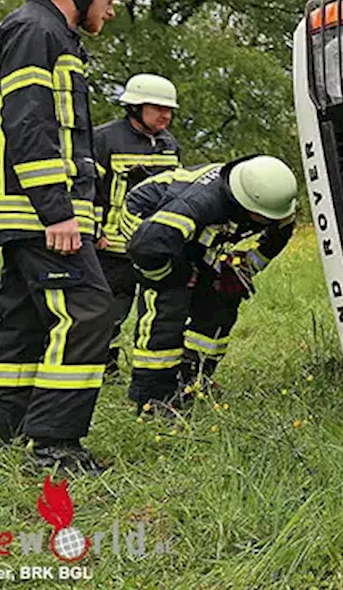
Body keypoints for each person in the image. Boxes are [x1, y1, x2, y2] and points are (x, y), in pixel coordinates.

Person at [0, 0, 128, 475]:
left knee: (23, 318)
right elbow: (30, 124)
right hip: (39, 210)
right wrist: (56, 209)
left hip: (21, 210)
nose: (111, 10)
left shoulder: (37, 30)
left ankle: (0, 430)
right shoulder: (38, 32)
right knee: (89, 311)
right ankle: (54, 446)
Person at [121, 156, 298, 414]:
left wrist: (245, 266)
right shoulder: (199, 203)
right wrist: (178, 274)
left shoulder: (275, 203)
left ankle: (193, 376)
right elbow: (146, 247)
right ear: (245, 204)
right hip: (148, 226)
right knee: (169, 301)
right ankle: (153, 398)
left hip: (191, 235)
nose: (267, 223)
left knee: (222, 296)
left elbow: (278, 235)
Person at [94, 74, 181, 379]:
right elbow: (89, 187)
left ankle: (151, 371)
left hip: (153, 247)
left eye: (169, 110)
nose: (166, 116)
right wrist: (95, 231)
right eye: (158, 108)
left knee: (156, 312)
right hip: (111, 248)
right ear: (135, 107)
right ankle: (105, 368)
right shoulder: (104, 139)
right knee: (109, 312)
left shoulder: (169, 144)